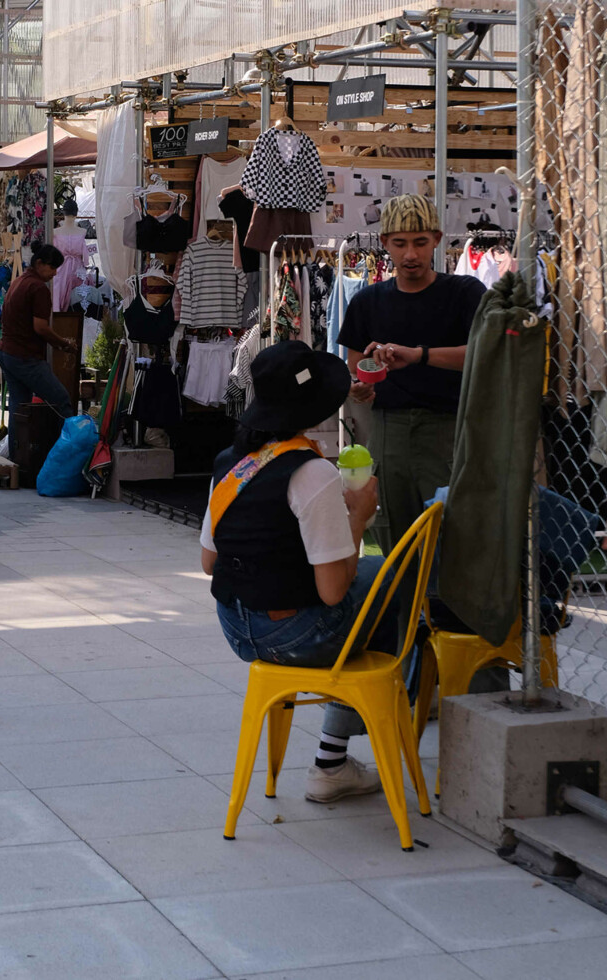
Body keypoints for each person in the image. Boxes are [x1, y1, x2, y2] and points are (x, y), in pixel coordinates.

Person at [201, 340, 393, 804]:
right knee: (388, 578)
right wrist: (359, 516)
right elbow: (331, 592)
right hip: (294, 633)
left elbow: (209, 563)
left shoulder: (232, 462)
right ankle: (337, 755)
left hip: (236, 626)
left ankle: (351, 739)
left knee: (372, 579)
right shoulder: (312, 473)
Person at [338, 195, 485, 553]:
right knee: (395, 533)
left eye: (420, 243)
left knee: (457, 533)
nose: (410, 255)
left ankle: (447, 608)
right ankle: (407, 608)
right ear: (384, 242)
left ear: (436, 239)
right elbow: (355, 364)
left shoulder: (464, 293)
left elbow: (483, 355)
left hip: (449, 429)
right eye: (400, 243)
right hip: (389, 429)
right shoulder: (367, 301)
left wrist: (418, 356)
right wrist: (360, 388)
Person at [0, 240, 77, 452]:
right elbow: (40, 327)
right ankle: (68, 453)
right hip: (25, 356)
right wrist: (63, 344)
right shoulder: (38, 288)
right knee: (61, 400)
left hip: (7, 352)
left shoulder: (19, 281)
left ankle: (17, 458)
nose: (54, 274)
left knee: (19, 405)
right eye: (52, 268)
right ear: (40, 263)